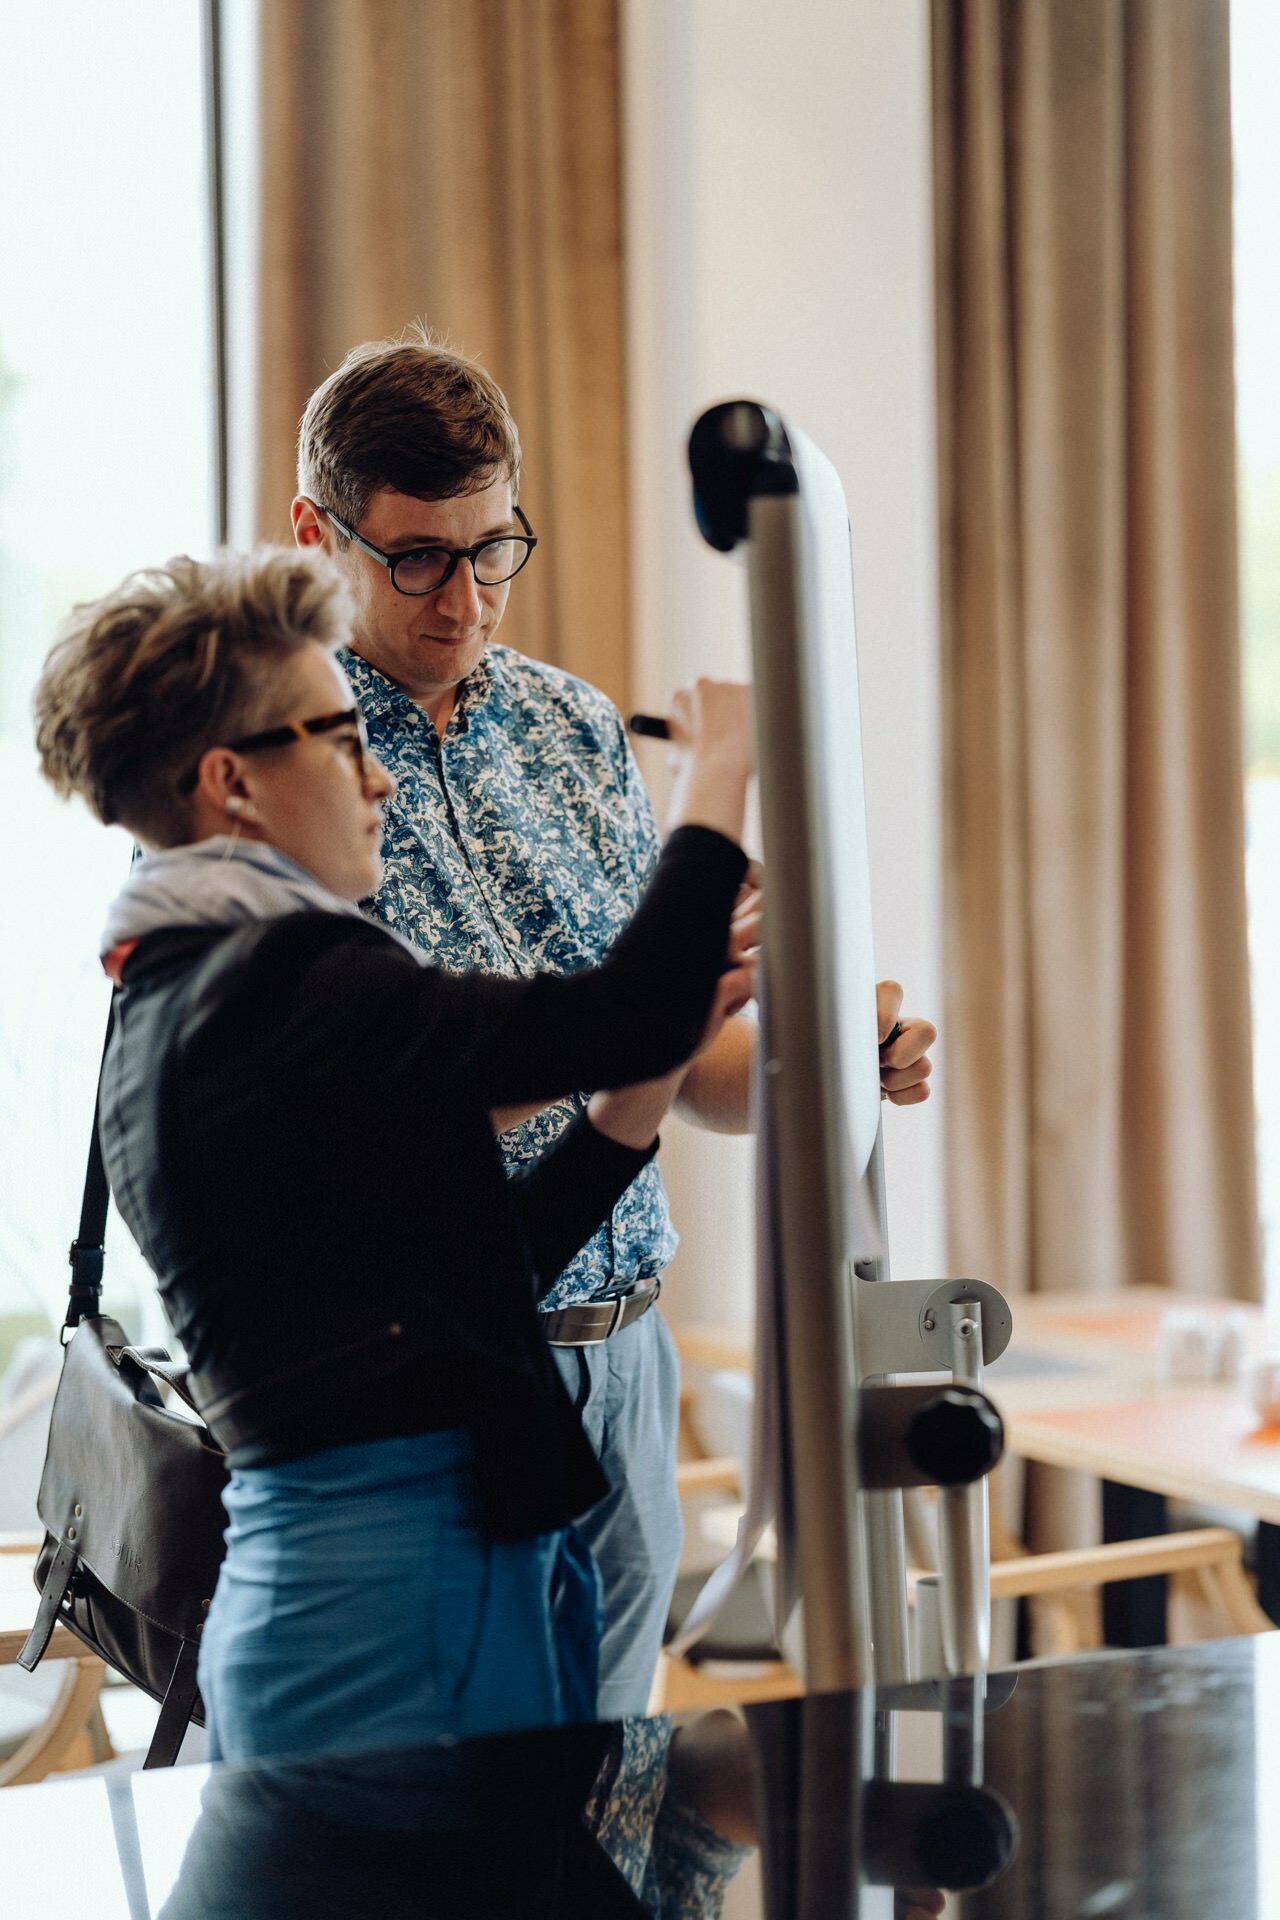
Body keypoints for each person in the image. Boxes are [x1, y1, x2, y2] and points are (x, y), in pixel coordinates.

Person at [290, 329, 938, 1716]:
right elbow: (338, 1113)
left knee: (610, 1791)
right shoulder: (286, 760)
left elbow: (688, 1070)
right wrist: (619, 1041)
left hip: (624, 1351)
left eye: (490, 549)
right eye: (415, 558)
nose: (462, 600)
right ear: (315, 531)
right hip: (432, 1378)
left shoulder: (575, 727)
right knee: (451, 1818)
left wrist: (822, 1072)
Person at [32, 543, 759, 1762]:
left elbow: (473, 1282)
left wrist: (638, 1092)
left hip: (400, 1610)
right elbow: (620, 1008)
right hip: (387, 1627)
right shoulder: (281, 986)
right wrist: (721, 772)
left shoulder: (200, 988)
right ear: (234, 786)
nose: (377, 782)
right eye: (338, 739)